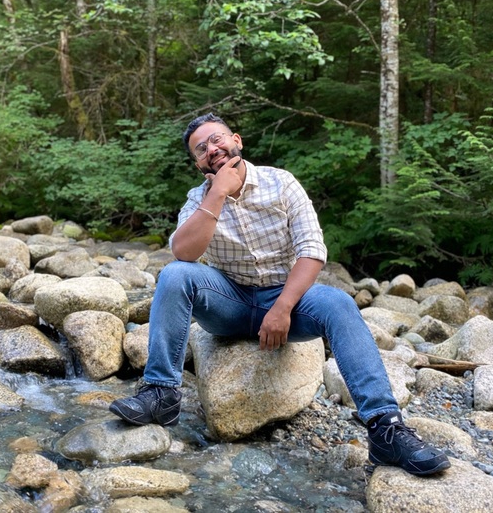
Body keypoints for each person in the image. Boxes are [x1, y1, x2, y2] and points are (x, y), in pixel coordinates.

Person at [110, 113, 451, 476]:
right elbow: (183, 253)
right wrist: (218, 193)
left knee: (338, 302)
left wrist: (283, 307)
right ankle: (161, 393)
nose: (212, 149)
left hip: (288, 298)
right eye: (201, 148)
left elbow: (312, 251)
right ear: (198, 163)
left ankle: (386, 429)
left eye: (217, 139)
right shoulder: (197, 200)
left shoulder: (281, 182)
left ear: (237, 140)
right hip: (229, 302)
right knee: (175, 274)